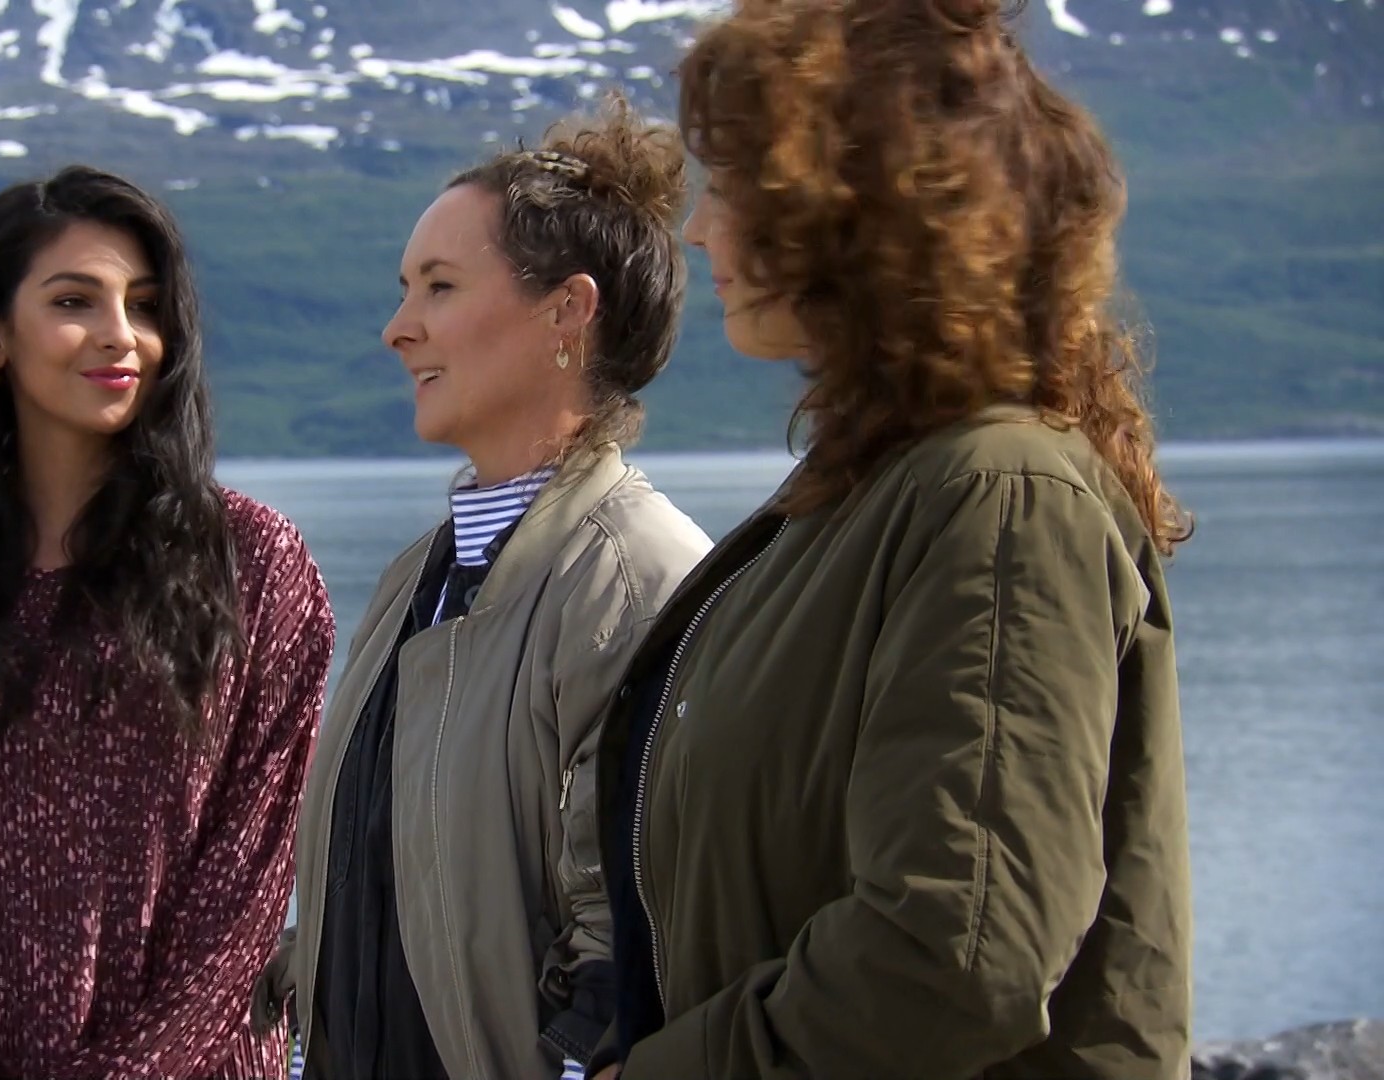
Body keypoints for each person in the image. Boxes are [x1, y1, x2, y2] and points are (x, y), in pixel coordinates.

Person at [589, 1, 1195, 1077]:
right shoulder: (866, 496)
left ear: (855, 201)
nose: (698, 228)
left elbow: (957, 959)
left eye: (732, 184)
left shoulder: (999, 497)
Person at [0, 165, 335, 1080]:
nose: (121, 334)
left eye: (145, 305)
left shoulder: (254, 564)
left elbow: (250, 891)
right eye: (73, 301)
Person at [252, 94, 714, 1080]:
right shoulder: (415, 580)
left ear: (568, 311)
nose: (397, 329)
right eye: (405, 290)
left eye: (440, 287)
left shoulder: (635, 578)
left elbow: (632, 956)